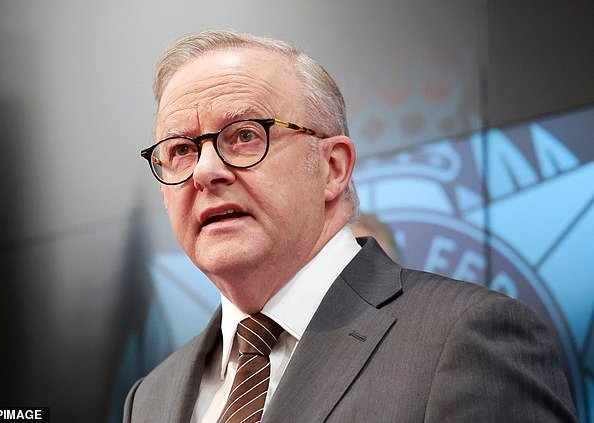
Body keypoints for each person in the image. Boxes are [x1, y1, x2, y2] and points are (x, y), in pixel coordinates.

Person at [124, 30, 577, 423]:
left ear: (333, 167)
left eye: (245, 135)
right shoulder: (149, 397)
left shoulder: (466, 338)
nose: (205, 171)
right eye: (180, 149)